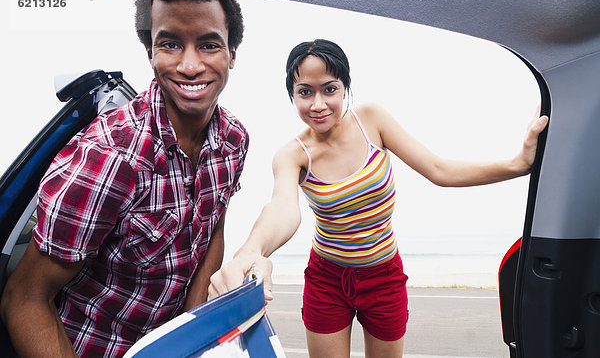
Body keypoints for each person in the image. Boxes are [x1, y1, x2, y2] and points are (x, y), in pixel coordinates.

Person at [208, 39, 549, 357]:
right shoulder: (292, 155)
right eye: (304, 92)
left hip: (384, 277)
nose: (318, 104)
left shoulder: (372, 121)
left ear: (345, 87)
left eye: (329, 89)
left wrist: (517, 165)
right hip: (327, 280)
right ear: (292, 95)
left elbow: (438, 169)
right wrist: (251, 251)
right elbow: (281, 208)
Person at [0, 0, 248, 357]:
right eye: (170, 44)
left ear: (231, 54)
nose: (190, 65)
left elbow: (212, 230)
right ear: (150, 53)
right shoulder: (109, 155)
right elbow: (24, 299)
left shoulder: (234, 141)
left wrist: (189, 336)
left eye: (209, 44)